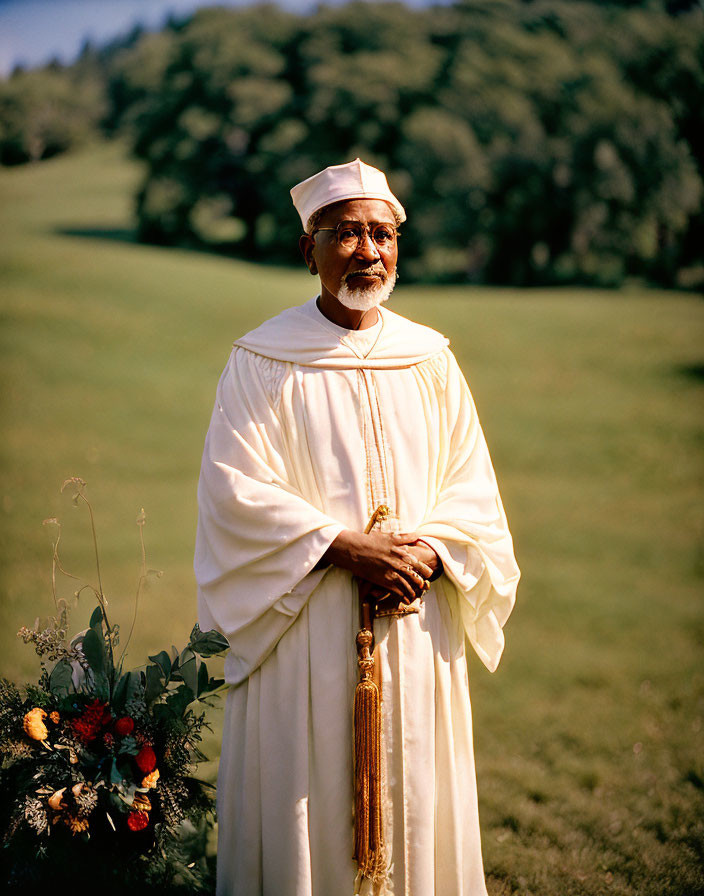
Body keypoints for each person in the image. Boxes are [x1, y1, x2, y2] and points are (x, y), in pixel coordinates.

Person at [194, 158, 520, 896]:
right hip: (305, 629)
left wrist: (430, 550)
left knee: (415, 807)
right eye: (345, 233)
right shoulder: (261, 360)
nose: (368, 251)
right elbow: (233, 493)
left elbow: (473, 489)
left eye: (382, 233)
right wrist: (344, 547)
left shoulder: (430, 360)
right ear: (307, 248)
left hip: (414, 623)